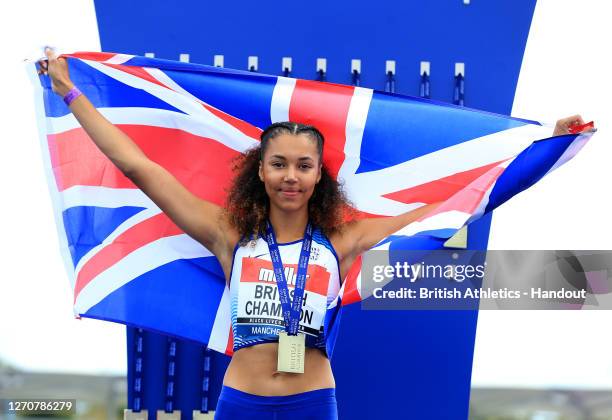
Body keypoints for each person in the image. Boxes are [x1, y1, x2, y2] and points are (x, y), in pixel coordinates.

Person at [38, 48, 586, 420]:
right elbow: (140, 168)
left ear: (318, 174)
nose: (290, 176)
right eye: (279, 164)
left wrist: (544, 149)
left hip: (313, 401)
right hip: (241, 401)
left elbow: (455, 207)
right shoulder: (228, 234)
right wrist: (71, 95)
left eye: (303, 165)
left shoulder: (342, 241)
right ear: (261, 170)